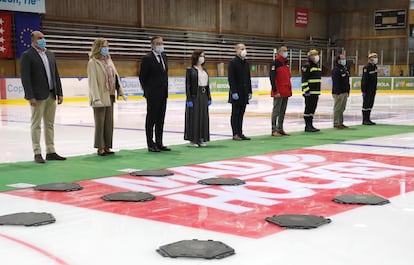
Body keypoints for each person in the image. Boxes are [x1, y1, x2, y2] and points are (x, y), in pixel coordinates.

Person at [20, 31, 66, 163]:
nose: (42, 40)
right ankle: (37, 152)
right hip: (38, 96)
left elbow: (55, 74)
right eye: (39, 38)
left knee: (49, 124)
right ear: (33, 40)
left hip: (51, 94)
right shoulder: (27, 56)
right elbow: (25, 78)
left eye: (43, 38)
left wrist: (60, 92)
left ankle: (51, 151)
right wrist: (30, 96)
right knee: (36, 125)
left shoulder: (50, 54)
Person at [87, 38, 126, 156]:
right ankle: (100, 147)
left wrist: (120, 91)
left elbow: (115, 75)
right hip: (99, 96)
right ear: (98, 47)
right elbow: (92, 82)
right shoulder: (93, 62)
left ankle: (108, 146)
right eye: (104, 46)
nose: (106, 48)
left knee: (109, 122)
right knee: (100, 123)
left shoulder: (109, 60)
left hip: (110, 95)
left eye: (107, 46)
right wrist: (96, 98)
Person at [139, 36, 170, 152]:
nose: (161, 45)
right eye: (158, 43)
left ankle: (159, 142)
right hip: (153, 94)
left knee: (160, 119)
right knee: (151, 119)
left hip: (163, 93)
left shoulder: (164, 56)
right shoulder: (147, 58)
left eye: (162, 43)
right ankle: (150, 144)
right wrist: (148, 91)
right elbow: (142, 77)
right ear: (152, 45)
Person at [184, 50, 211, 147]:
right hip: (195, 95)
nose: (202, 58)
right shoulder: (190, 70)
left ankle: (201, 138)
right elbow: (188, 86)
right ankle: (193, 140)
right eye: (201, 56)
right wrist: (189, 99)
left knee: (203, 116)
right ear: (196, 57)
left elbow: (207, 85)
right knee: (194, 117)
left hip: (204, 95)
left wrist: (209, 97)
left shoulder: (205, 70)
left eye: (203, 56)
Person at [228, 43, 252, 141]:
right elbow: (231, 79)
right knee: (235, 113)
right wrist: (234, 91)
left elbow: (248, 78)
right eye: (242, 49)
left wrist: (250, 91)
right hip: (236, 93)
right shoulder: (233, 63)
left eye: (245, 48)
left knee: (241, 113)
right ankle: (235, 133)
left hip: (244, 92)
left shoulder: (246, 63)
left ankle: (240, 132)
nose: (244, 50)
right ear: (237, 50)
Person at [269, 44, 292, 136]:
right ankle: (274, 129)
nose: (286, 52)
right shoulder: (275, 63)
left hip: (286, 91)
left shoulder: (286, 63)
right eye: (284, 51)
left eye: (286, 51)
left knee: (282, 111)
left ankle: (280, 128)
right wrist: (275, 91)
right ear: (279, 52)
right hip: (278, 91)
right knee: (276, 111)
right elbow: (272, 77)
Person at [301, 49, 322, 132]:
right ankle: (307, 126)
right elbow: (304, 79)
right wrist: (306, 91)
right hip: (309, 92)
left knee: (313, 109)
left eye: (316, 55)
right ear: (310, 56)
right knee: (308, 108)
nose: (316, 57)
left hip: (316, 92)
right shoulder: (307, 66)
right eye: (314, 55)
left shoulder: (317, 67)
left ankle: (311, 124)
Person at [331, 54, 350, 129]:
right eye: (342, 59)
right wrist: (338, 92)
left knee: (342, 108)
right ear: (338, 60)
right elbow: (336, 82)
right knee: (338, 108)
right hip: (338, 93)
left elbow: (346, 81)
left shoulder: (345, 69)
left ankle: (340, 122)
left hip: (344, 91)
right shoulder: (336, 70)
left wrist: (348, 91)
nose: (344, 60)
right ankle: (336, 123)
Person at [361, 53, 378, 125]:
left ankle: (368, 119)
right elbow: (364, 80)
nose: (376, 59)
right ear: (370, 58)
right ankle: (365, 120)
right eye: (374, 57)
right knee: (366, 104)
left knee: (370, 103)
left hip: (373, 89)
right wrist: (363, 90)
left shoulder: (375, 67)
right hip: (367, 89)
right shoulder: (366, 67)